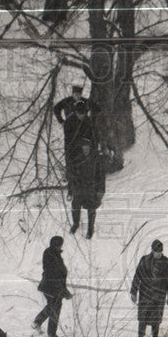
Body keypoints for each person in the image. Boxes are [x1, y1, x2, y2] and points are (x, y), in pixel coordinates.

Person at [63, 99, 106, 238]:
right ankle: (75, 224)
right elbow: (71, 173)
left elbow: (101, 175)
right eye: (83, 147)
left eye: (88, 147)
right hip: (80, 186)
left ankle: (90, 229)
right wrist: (71, 189)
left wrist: (101, 190)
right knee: (76, 205)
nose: (85, 149)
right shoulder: (76, 159)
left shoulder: (96, 159)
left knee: (91, 207)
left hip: (91, 186)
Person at [130, 239, 168, 337]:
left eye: (161, 252)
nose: (159, 254)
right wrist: (133, 291)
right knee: (143, 317)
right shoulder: (144, 260)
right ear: (152, 251)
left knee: (156, 317)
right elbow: (137, 276)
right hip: (145, 294)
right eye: (157, 252)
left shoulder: (166, 261)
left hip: (159, 294)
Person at [32, 236, 73, 337]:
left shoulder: (52, 253)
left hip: (50, 287)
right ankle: (51, 335)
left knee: (52, 305)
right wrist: (64, 291)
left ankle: (37, 322)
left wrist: (63, 290)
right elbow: (55, 275)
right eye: (60, 245)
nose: (61, 247)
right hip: (52, 287)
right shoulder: (52, 255)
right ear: (56, 245)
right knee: (55, 309)